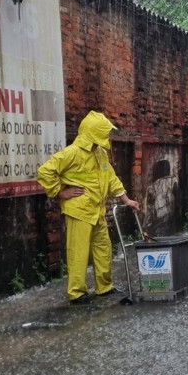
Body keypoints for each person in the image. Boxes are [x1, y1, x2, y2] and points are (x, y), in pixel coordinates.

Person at [37, 111, 140, 304]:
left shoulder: (100, 153)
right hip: (79, 211)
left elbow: (110, 178)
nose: (108, 137)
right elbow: (45, 171)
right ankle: (77, 293)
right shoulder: (72, 153)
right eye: (105, 132)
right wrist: (61, 192)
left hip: (97, 210)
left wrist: (126, 200)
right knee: (78, 252)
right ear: (93, 133)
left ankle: (104, 287)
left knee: (103, 249)